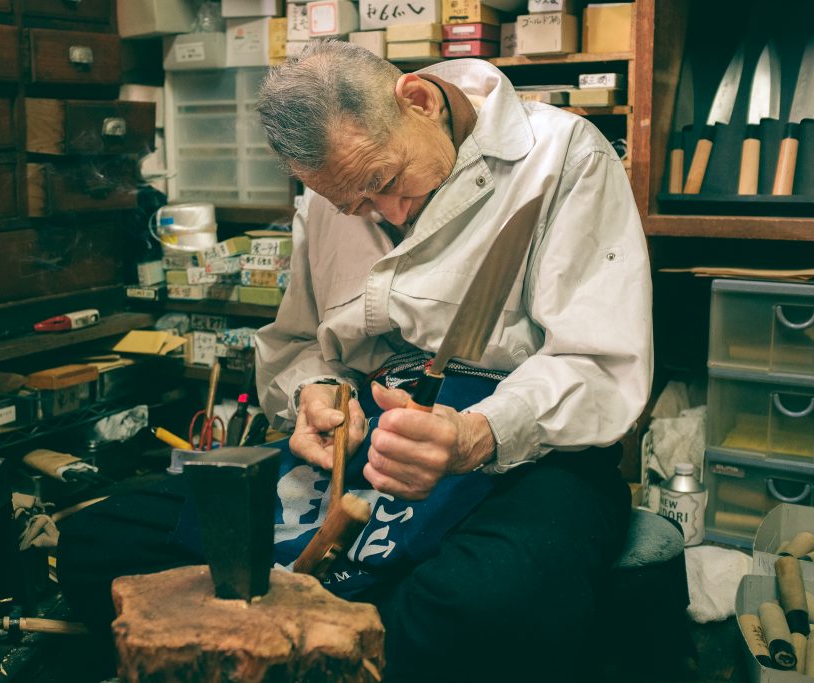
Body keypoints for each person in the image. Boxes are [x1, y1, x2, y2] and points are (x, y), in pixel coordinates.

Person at [58, 41, 652, 681]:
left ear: (418, 101)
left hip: (525, 444)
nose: (386, 213)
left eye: (385, 182)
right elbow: (299, 339)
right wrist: (316, 393)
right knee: (100, 544)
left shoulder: (563, 157)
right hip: (370, 433)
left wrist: (477, 433)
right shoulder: (332, 186)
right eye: (353, 206)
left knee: (479, 606)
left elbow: (599, 362)